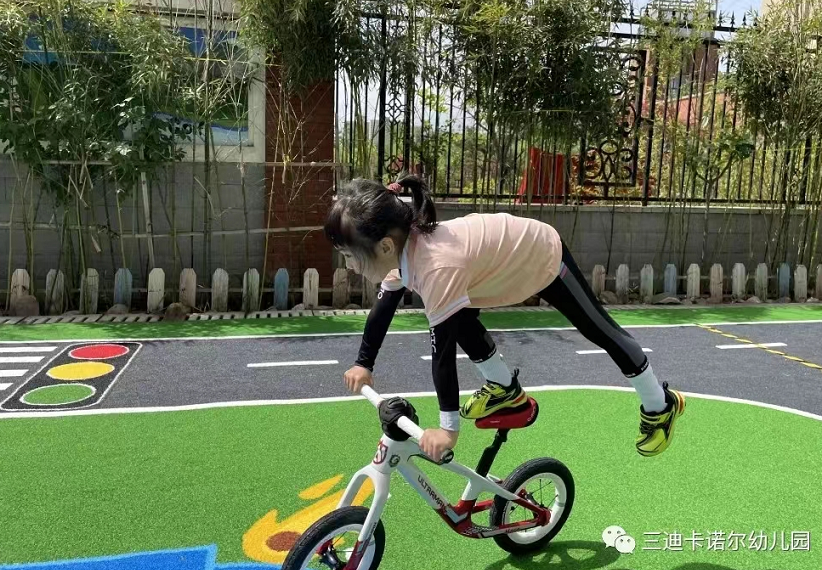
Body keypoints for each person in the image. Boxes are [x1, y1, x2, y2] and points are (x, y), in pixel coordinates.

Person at [324, 173, 685, 462]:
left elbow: (442, 355)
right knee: (457, 317)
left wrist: (448, 431)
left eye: (350, 256)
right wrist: (363, 363)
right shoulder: (404, 250)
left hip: (539, 254)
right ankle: (505, 390)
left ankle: (660, 404)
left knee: (598, 328)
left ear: (385, 246)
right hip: (497, 268)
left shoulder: (435, 268)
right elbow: (384, 307)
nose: (349, 266)